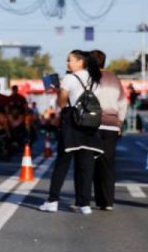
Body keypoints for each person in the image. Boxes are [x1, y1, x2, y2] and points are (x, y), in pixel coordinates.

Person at [39, 50, 103, 215]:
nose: (67, 63)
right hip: (90, 125)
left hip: (72, 124)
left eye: (70, 60)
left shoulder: (69, 78)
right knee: (86, 166)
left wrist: (58, 91)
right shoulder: (95, 78)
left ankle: (52, 201)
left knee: (62, 163)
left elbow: (62, 103)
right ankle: (84, 204)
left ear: (80, 62)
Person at [90, 50, 127, 211]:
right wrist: (120, 122)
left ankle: (89, 199)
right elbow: (123, 102)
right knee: (108, 163)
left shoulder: (90, 78)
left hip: (93, 125)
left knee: (91, 162)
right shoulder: (114, 78)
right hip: (112, 126)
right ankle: (108, 201)